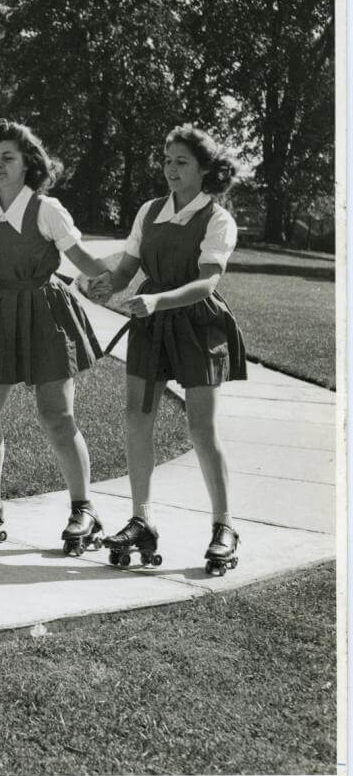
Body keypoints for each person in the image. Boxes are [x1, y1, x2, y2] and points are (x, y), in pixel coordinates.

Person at [0, 119, 112, 555]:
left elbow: (82, 259)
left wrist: (121, 280)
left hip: (46, 312)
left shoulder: (46, 209)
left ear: (27, 163)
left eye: (8, 158)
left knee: (56, 415)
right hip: (3, 311)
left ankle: (84, 508)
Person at [88, 123, 246, 574]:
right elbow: (125, 272)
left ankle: (224, 526)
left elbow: (206, 283)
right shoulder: (150, 210)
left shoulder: (217, 219)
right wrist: (107, 285)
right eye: (166, 160)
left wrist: (157, 299)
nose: (170, 169)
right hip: (151, 325)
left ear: (204, 170)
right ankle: (142, 519)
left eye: (181, 162)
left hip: (198, 323)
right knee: (137, 419)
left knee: (201, 429)